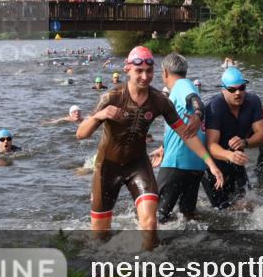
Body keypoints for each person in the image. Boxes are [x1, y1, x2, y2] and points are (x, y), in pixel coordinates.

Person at [76, 46, 224, 248]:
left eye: (149, 71)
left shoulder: (159, 101)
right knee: (100, 237)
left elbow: (186, 134)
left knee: (150, 223)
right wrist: (99, 116)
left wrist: (210, 164)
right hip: (107, 167)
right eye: (139, 71)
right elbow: (81, 134)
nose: (145, 77)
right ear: (127, 69)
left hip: (138, 165)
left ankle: (148, 270)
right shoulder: (111, 97)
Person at [155, 54, 223, 223]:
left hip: (177, 162)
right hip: (197, 164)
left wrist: (198, 114)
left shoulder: (181, 85)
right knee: (188, 216)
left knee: (157, 216)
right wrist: (163, 146)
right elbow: (180, 124)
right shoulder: (189, 85)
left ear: (165, 72)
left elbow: (195, 101)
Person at [204, 67, 263, 210]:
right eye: (232, 90)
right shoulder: (214, 107)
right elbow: (211, 145)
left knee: (248, 206)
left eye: (242, 88)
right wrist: (229, 155)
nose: (238, 93)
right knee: (222, 212)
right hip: (213, 166)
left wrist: (246, 142)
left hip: (237, 162)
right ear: (223, 89)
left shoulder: (253, 101)